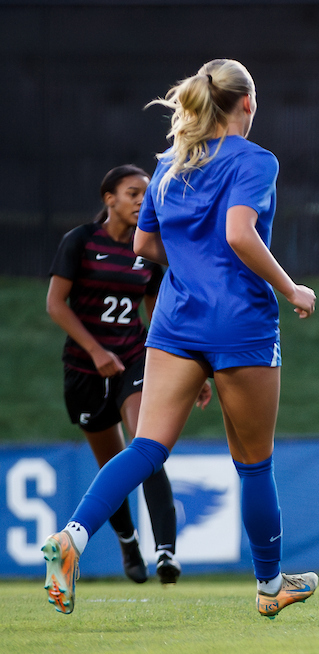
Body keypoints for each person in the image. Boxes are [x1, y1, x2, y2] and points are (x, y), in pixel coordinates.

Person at [41, 59, 318, 618]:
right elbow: (240, 235)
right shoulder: (255, 161)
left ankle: (72, 537)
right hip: (240, 323)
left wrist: (193, 270)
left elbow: (143, 247)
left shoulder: (170, 164)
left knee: (145, 447)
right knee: (254, 463)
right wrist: (292, 289)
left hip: (175, 322)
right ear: (247, 103)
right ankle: (269, 589)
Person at [46, 165, 208, 586]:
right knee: (111, 464)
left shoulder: (148, 249)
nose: (141, 200)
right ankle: (127, 539)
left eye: (146, 194)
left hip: (134, 359)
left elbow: (158, 314)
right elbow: (56, 305)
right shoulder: (80, 241)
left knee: (145, 443)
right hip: (85, 370)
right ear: (109, 198)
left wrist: (189, 366)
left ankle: (167, 552)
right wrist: (96, 351)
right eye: (133, 193)